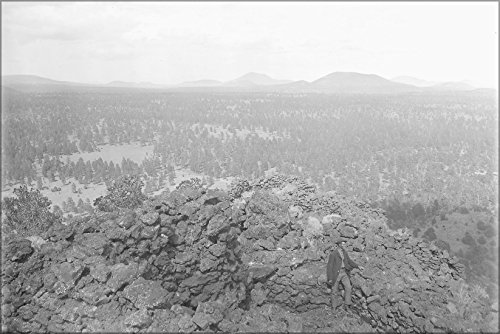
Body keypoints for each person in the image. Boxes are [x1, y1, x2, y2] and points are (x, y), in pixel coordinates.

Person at [326, 241, 360, 308]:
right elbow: (329, 267)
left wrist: (357, 266)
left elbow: (349, 261)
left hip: (344, 272)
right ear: (339, 245)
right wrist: (330, 278)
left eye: (345, 244)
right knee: (334, 291)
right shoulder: (333, 254)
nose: (345, 245)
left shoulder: (344, 252)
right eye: (343, 244)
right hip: (336, 274)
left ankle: (347, 304)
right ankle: (334, 307)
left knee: (348, 288)